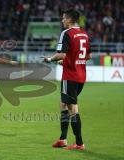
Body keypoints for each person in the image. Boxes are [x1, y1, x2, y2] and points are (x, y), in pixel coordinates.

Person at [42, 9, 92, 150]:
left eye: (64, 18)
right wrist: (70, 61)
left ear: (70, 19)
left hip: (70, 76)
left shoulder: (67, 33)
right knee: (63, 103)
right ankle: (63, 139)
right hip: (81, 76)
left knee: (72, 107)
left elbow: (61, 55)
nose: (62, 20)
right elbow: (87, 56)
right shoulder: (84, 34)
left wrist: (50, 59)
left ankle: (79, 143)